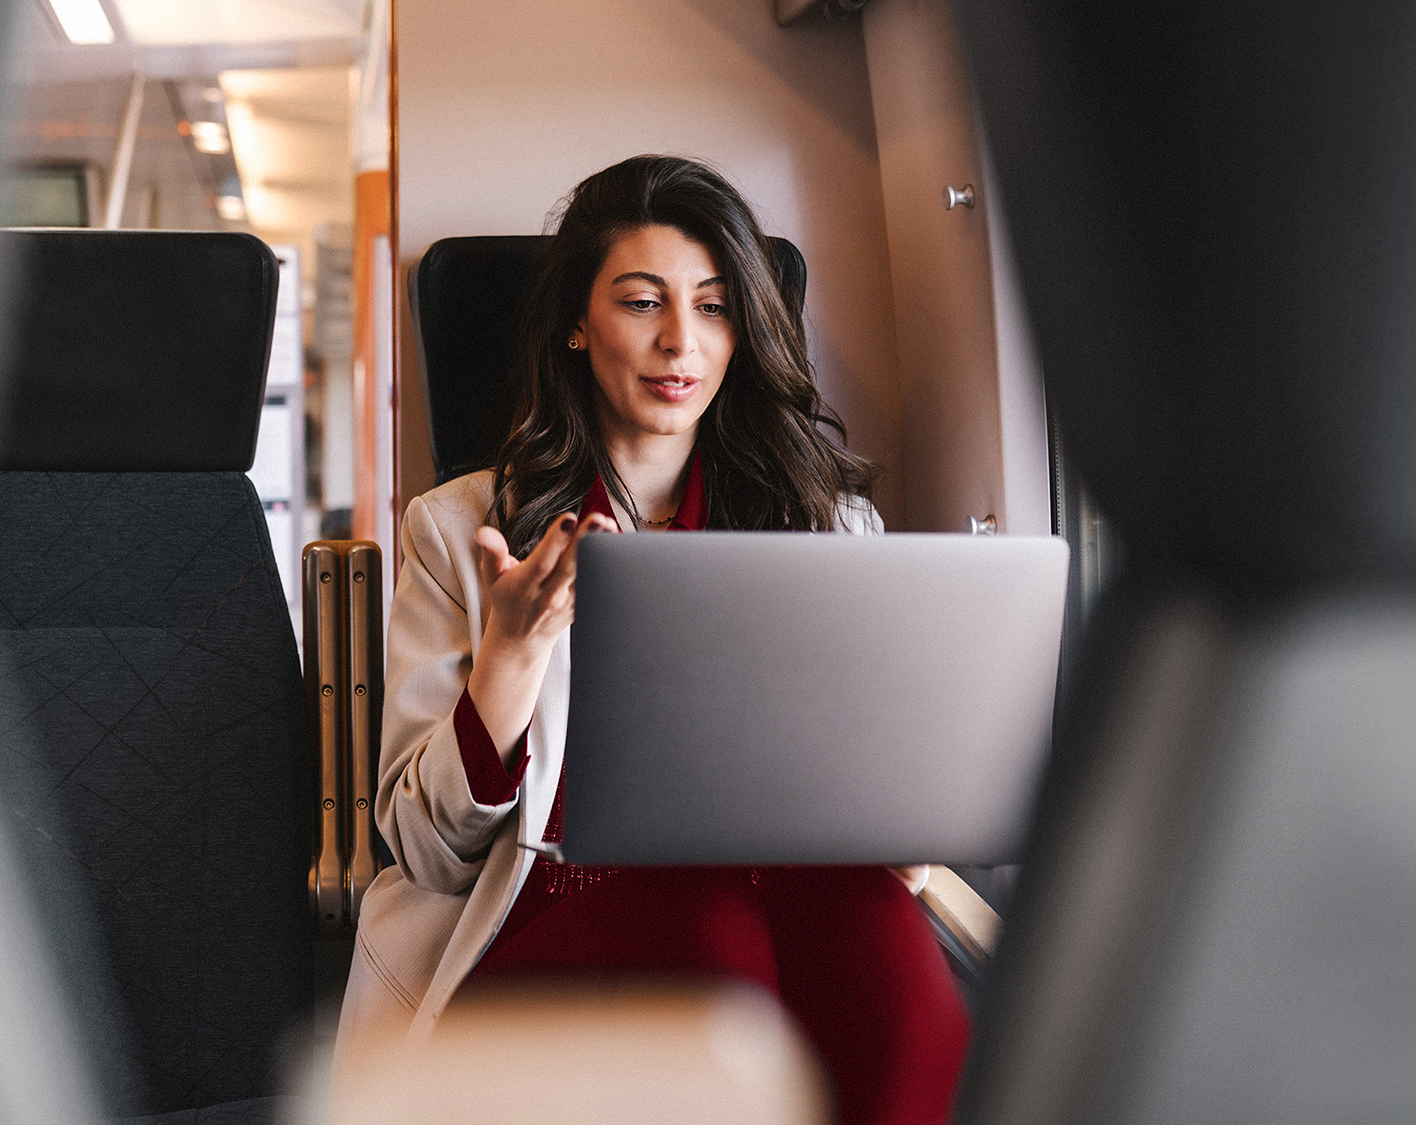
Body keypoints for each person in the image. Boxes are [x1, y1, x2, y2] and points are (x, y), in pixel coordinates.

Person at [338, 155, 969, 1124]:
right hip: (539, 913)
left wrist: (898, 821)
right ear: (577, 325)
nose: (680, 340)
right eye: (642, 303)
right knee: (706, 932)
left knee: (885, 932)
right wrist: (509, 657)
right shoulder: (462, 533)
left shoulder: (830, 530)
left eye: (714, 308)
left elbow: (872, 795)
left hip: (778, 903)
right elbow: (423, 853)